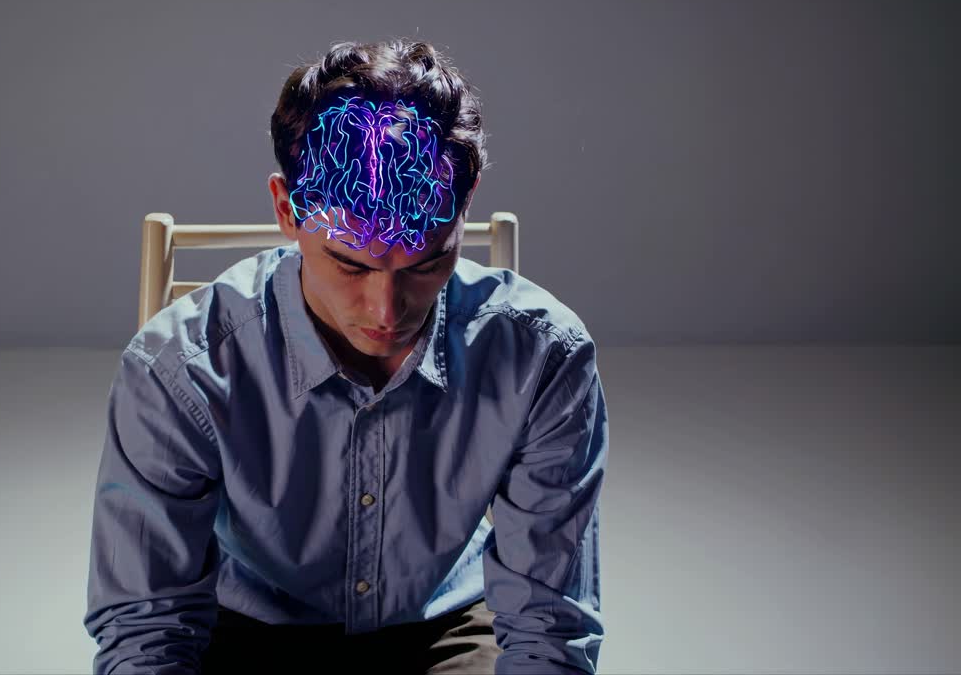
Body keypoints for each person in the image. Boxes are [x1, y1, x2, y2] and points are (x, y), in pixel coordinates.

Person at [84, 38, 608, 674]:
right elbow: (149, 626)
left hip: (447, 624)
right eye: (350, 264)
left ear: (462, 216)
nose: (387, 311)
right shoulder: (177, 369)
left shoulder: (544, 357)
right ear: (287, 209)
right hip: (246, 629)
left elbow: (547, 625)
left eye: (428, 261)